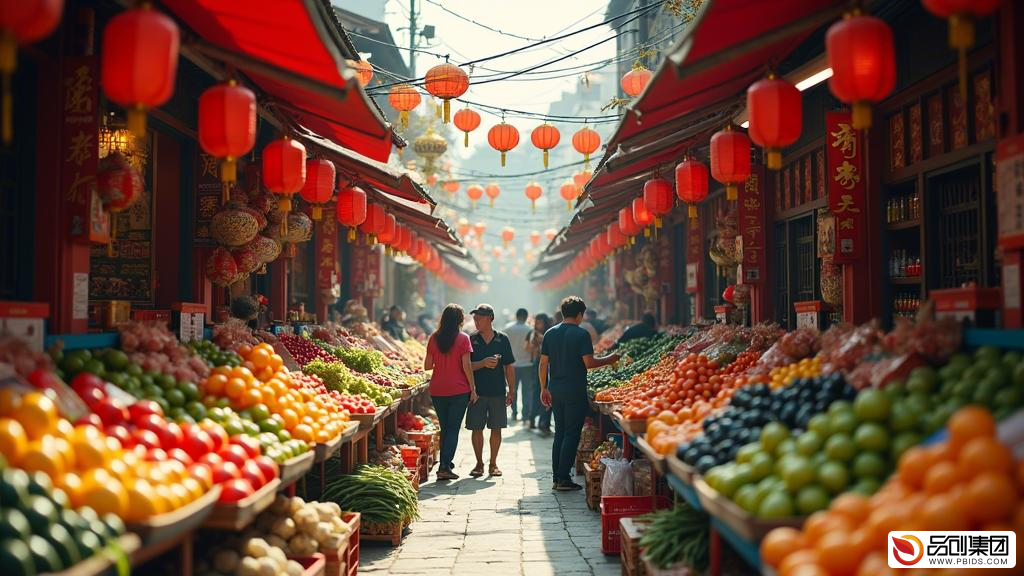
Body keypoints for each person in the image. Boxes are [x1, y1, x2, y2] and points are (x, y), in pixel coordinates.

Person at [540, 296, 621, 491]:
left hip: (556, 389)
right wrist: (611, 358)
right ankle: (563, 478)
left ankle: (557, 477)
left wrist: (544, 388)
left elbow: (543, 363)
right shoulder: (581, 334)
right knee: (571, 433)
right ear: (579, 314)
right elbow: (589, 363)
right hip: (574, 390)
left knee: (560, 432)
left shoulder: (550, 333)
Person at [424, 304, 478, 481]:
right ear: (460, 320)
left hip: (438, 389)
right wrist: (473, 388)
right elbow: (466, 365)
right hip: (458, 389)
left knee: (445, 428)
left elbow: (427, 366)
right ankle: (444, 466)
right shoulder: (463, 339)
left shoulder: (434, 338)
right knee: (453, 429)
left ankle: (445, 464)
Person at [465, 303, 516, 477]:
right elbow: (465, 367)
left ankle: (493, 464)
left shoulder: (503, 339)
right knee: (476, 428)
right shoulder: (471, 340)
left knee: (496, 428)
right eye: (475, 318)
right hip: (476, 392)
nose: (476, 321)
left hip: (497, 391)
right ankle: (479, 463)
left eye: (480, 318)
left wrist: (512, 391)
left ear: (490, 319)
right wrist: (482, 363)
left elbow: (509, 366)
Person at [504, 308, 533, 423]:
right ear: (526, 317)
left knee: (512, 389)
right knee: (526, 390)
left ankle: (514, 413)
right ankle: (525, 415)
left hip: (512, 365)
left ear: (516, 316)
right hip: (527, 364)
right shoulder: (530, 329)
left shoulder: (508, 328)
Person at [525, 313, 554, 433]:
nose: (537, 325)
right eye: (536, 322)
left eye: (540, 322)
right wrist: (534, 346)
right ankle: (532, 419)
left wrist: (543, 340)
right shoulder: (532, 333)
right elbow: (527, 348)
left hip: (548, 365)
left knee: (547, 393)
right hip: (537, 364)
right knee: (535, 392)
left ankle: (544, 422)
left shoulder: (550, 333)